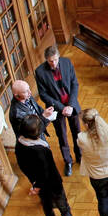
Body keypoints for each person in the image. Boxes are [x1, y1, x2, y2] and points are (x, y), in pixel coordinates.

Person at [14, 115, 91, 216]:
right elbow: (45, 173)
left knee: (47, 207)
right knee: (64, 209)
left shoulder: (20, 144)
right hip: (52, 185)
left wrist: (35, 184)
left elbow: (24, 167)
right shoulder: (40, 151)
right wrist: (38, 185)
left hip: (39, 184)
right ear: (36, 134)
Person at [35, 46, 82, 176]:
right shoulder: (40, 72)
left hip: (71, 105)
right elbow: (43, 95)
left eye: (56, 60)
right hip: (56, 108)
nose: (54, 63)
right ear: (46, 60)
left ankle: (80, 156)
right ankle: (68, 161)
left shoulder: (67, 63)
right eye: (51, 61)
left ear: (59, 57)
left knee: (77, 132)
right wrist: (62, 108)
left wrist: (71, 105)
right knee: (62, 135)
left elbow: (74, 84)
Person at [8, 80, 51, 195]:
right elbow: (32, 130)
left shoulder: (28, 97)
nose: (30, 93)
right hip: (31, 145)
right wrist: (45, 118)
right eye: (26, 91)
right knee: (39, 170)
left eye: (28, 89)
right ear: (17, 95)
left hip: (39, 138)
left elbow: (37, 109)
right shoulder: (17, 113)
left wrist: (45, 112)